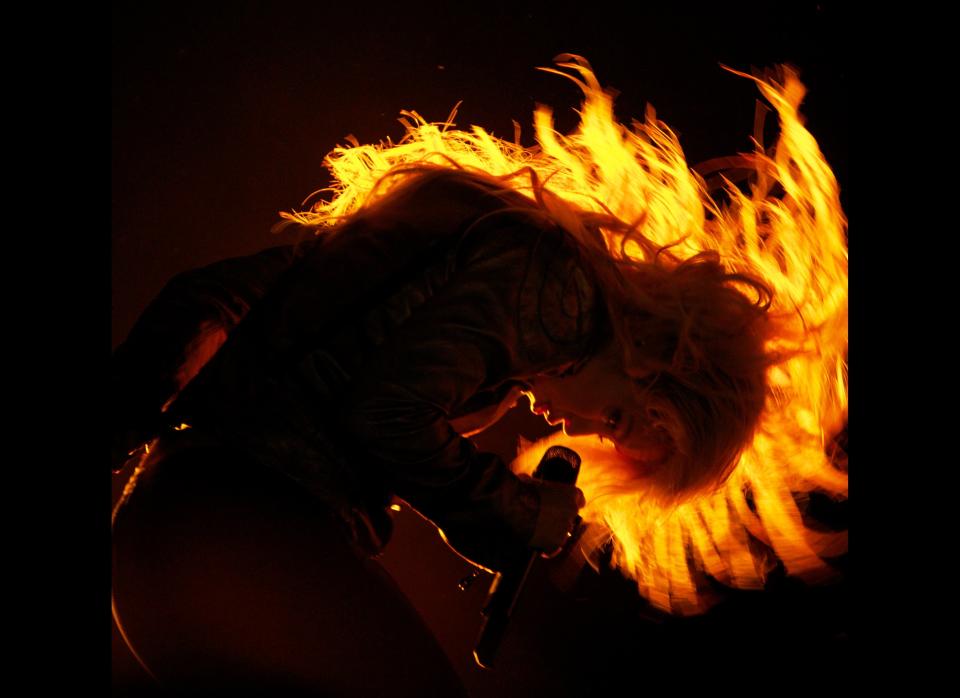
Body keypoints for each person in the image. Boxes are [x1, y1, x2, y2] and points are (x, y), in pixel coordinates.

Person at [111, 164, 775, 695]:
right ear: (650, 358)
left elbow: (210, 298)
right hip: (247, 528)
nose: (578, 429)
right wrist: (509, 512)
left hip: (172, 528)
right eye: (616, 420)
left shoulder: (472, 254)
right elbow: (388, 414)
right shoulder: (560, 295)